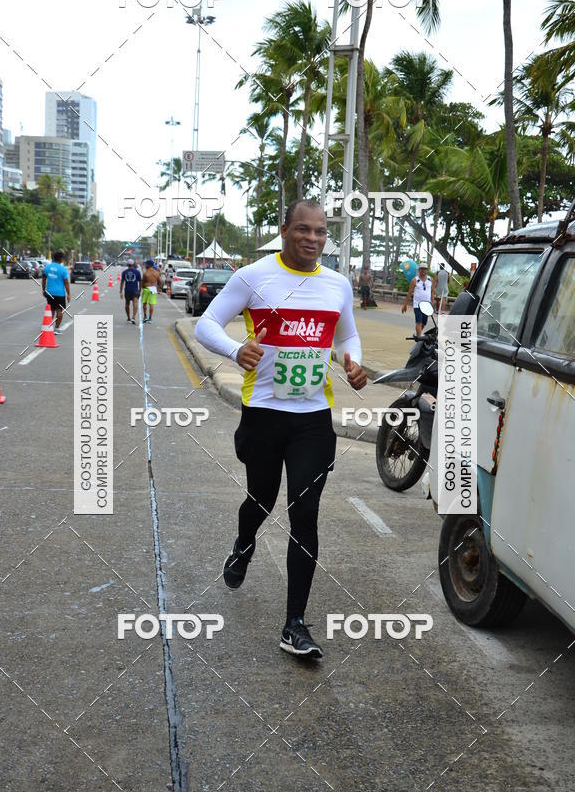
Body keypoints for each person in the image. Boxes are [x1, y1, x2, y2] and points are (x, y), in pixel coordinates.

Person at [195, 200, 367, 660]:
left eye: (321, 232)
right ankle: (244, 543)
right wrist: (235, 352)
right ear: (285, 230)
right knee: (260, 501)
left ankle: (294, 624)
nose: (313, 239)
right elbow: (206, 324)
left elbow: (346, 335)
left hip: (313, 419)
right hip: (265, 413)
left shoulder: (336, 285)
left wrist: (353, 361)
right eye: (303, 230)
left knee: (304, 516)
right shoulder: (254, 276)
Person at [41, 250, 70, 334]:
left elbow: (43, 279)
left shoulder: (47, 267)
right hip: (60, 294)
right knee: (59, 311)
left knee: (51, 311)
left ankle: (48, 327)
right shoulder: (63, 269)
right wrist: (68, 294)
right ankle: (56, 329)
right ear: (61, 259)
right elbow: (66, 282)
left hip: (49, 292)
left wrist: (43, 290)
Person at [402, 263, 433, 336]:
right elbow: (409, 293)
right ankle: (419, 339)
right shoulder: (415, 280)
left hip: (427, 305)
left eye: (425, 269)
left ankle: (417, 334)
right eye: (421, 269)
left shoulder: (430, 279)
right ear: (419, 270)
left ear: (427, 270)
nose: (423, 271)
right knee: (419, 322)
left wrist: (432, 300)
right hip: (417, 304)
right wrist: (405, 305)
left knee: (424, 322)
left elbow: (432, 291)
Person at [120, 259, 142, 323]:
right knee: (135, 303)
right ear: (133, 264)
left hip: (127, 290)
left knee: (127, 303)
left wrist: (121, 291)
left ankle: (128, 318)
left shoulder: (124, 272)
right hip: (135, 290)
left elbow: (122, 282)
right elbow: (140, 282)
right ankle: (133, 317)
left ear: (127, 264)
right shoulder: (137, 272)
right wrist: (140, 290)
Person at [141, 259, 161, 324]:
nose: (145, 265)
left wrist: (140, 288)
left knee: (144, 303)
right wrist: (158, 288)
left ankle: (145, 316)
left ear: (149, 265)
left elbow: (142, 282)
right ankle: (150, 318)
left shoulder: (145, 272)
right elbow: (160, 282)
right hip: (153, 289)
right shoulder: (156, 273)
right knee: (151, 304)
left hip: (147, 288)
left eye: (146, 264)